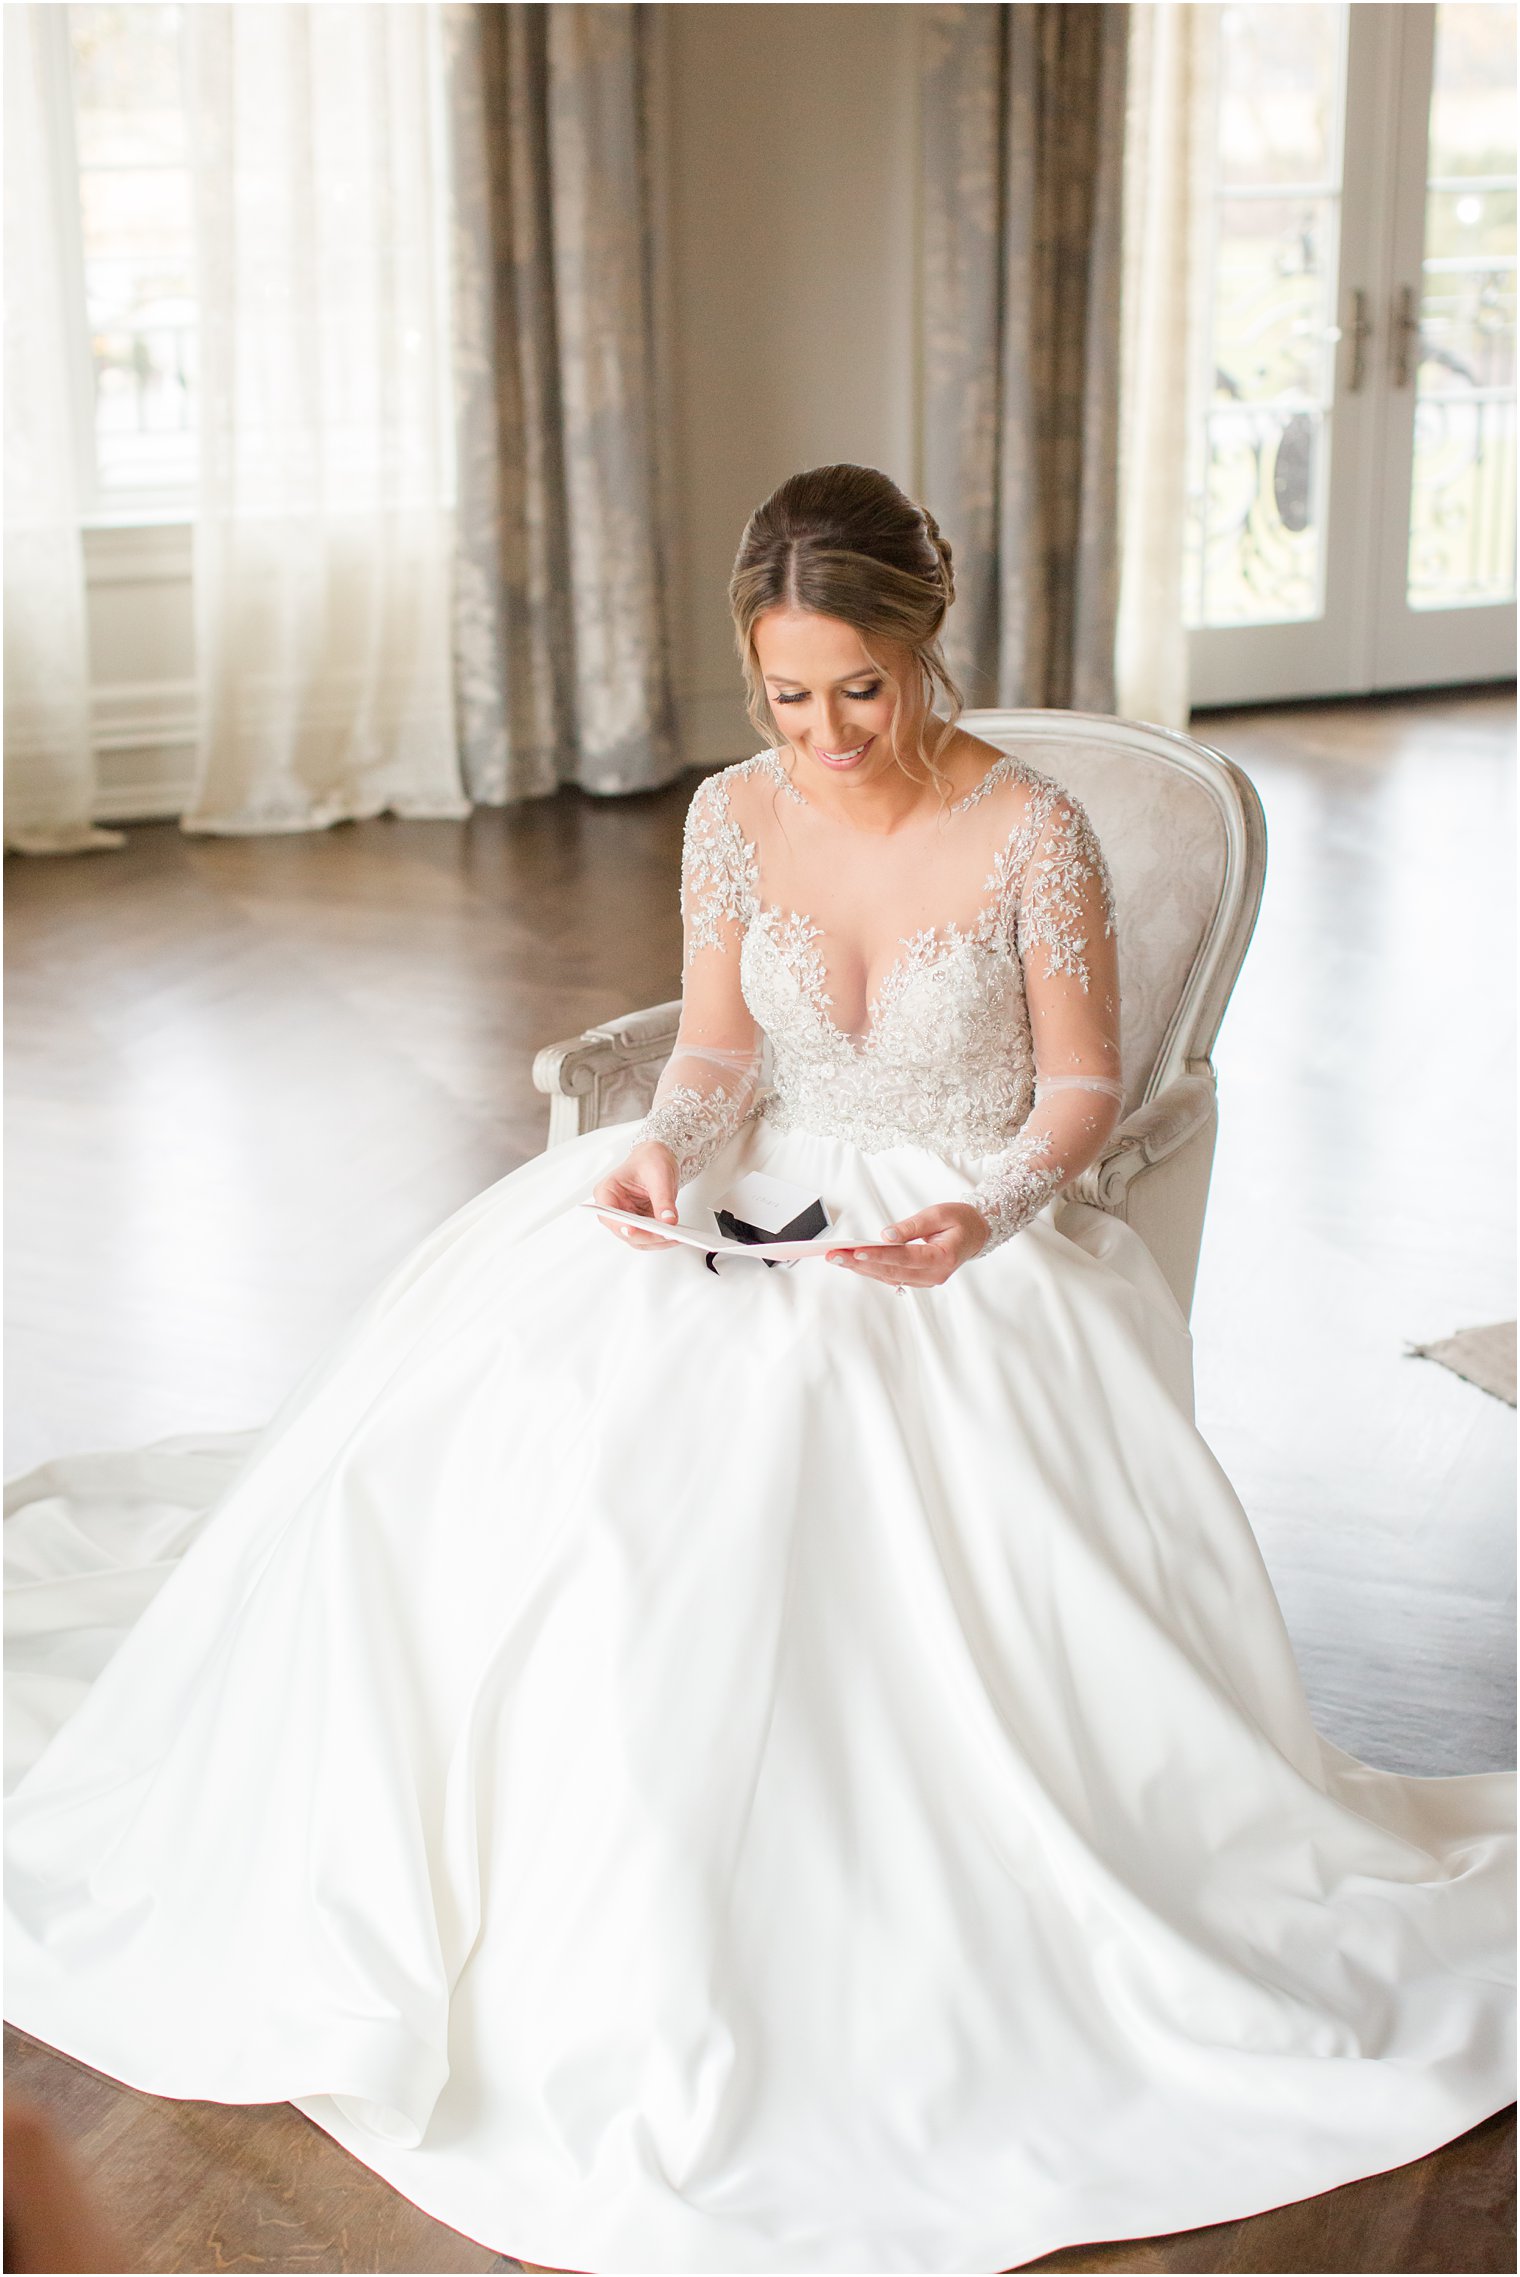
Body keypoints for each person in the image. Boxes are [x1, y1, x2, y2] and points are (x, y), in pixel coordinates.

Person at [4, 464, 1513, 2277]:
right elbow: (718, 1052)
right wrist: (661, 1145)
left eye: (858, 692)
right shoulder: (733, 814)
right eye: (786, 697)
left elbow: (1084, 1092)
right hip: (744, 1198)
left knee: (832, 1467)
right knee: (520, 1459)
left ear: (922, 646)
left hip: (963, 1232)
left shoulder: (1038, 830)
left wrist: (988, 1213)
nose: (825, 734)